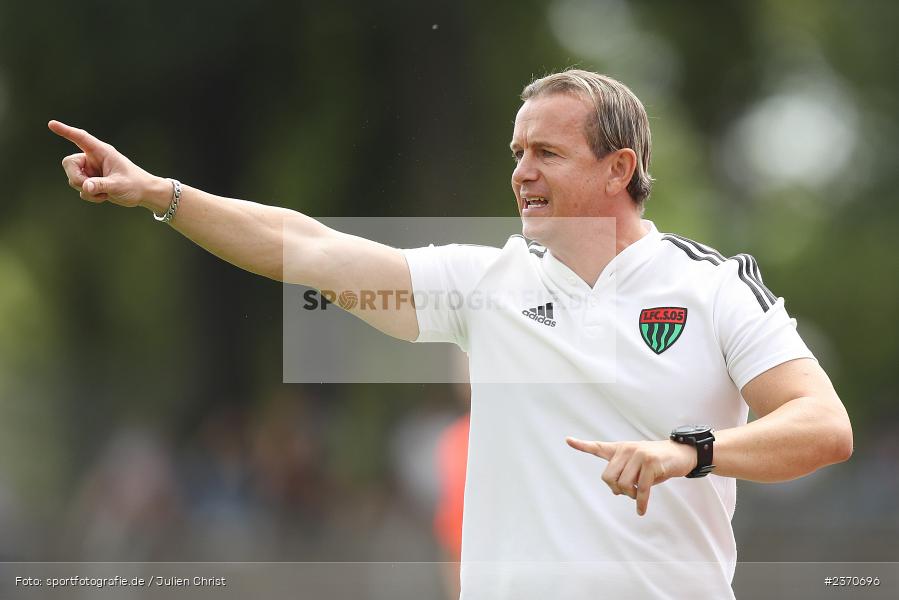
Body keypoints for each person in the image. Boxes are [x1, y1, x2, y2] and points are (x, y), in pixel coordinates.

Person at [49, 69, 853, 599]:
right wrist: (160, 194)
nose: (521, 172)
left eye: (546, 152)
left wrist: (688, 452)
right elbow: (308, 248)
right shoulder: (483, 282)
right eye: (516, 152)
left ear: (618, 168)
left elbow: (822, 427)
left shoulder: (712, 286)